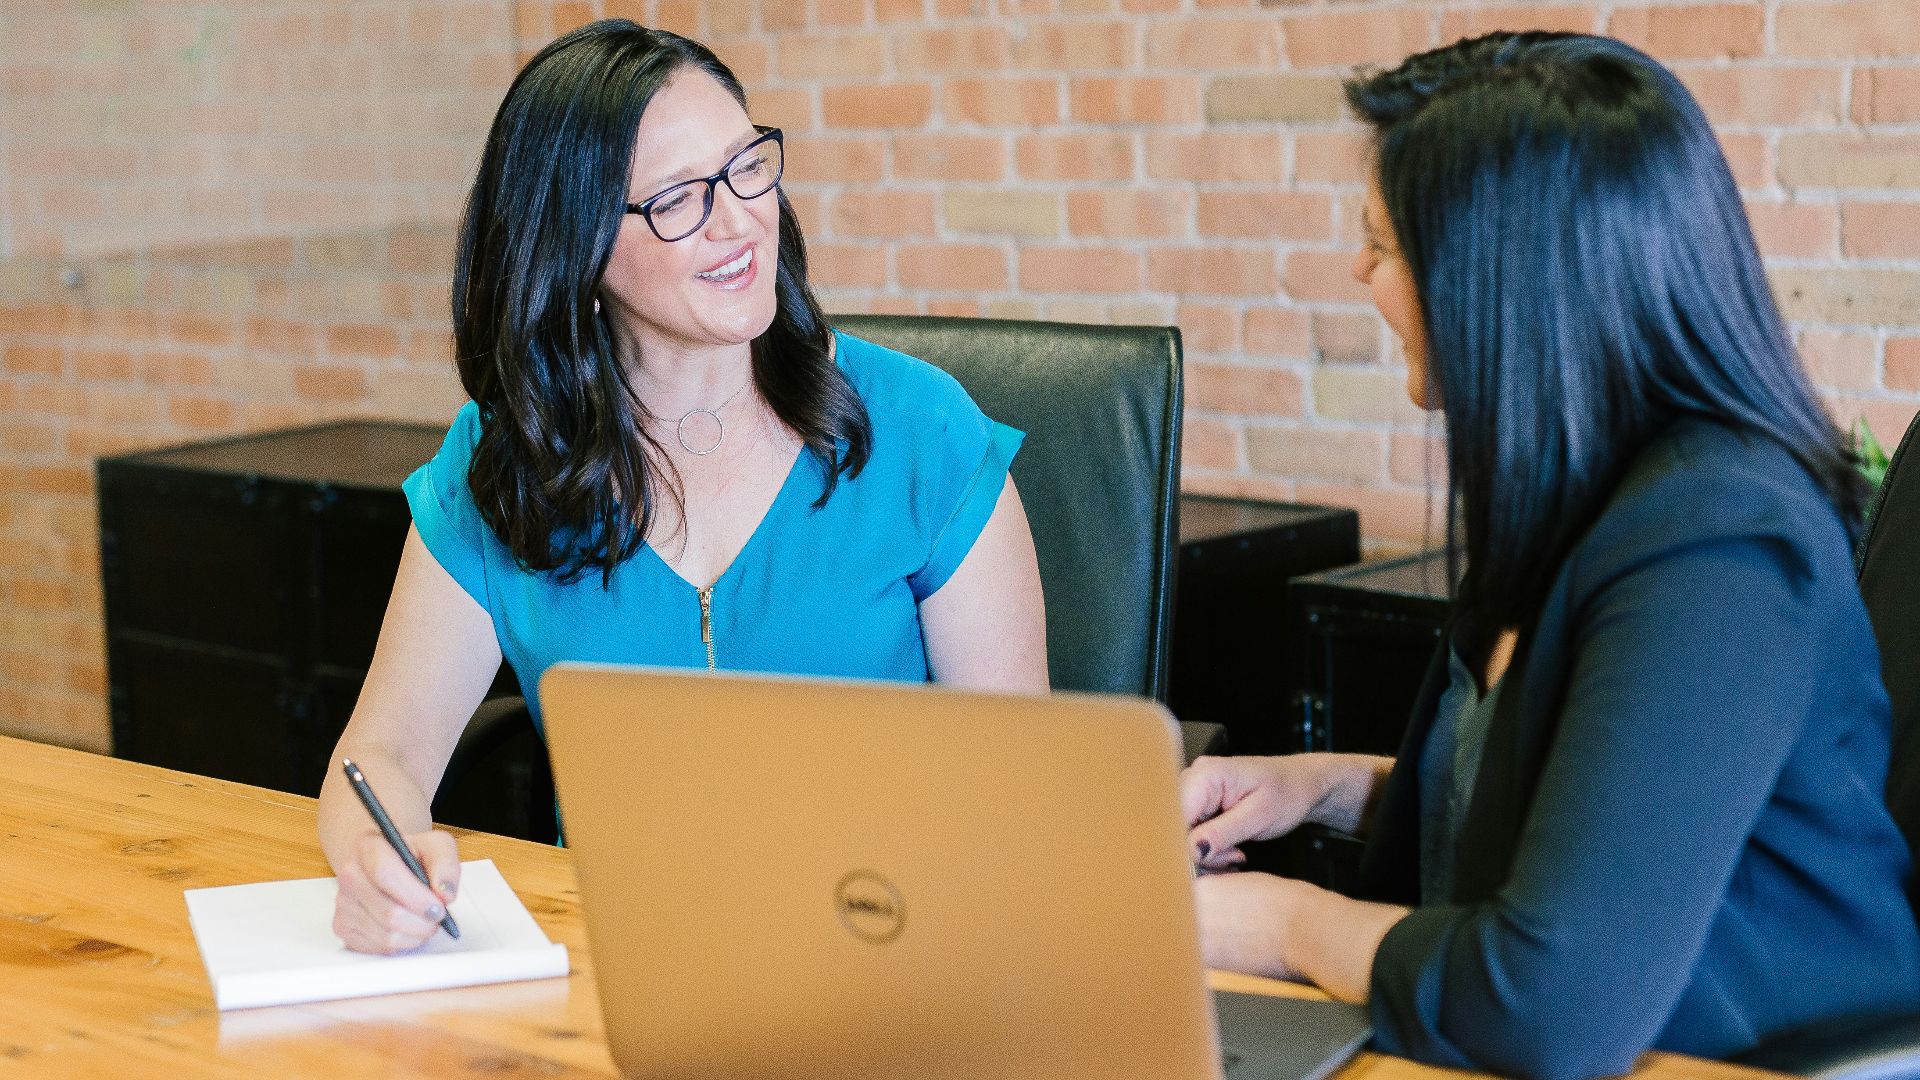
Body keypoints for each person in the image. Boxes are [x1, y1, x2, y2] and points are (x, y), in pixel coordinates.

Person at [1181, 32, 1920, 1080]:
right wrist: (1322, 785)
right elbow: (1575, 807)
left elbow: (1550, 1001)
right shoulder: (1575, 491)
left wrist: (1284, 926)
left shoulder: (1719, 543)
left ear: (1499, 282)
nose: (1358, 271)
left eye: (1383, 244)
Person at [318, 20, 1047, 955]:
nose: (741, 218)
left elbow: (1022, 785)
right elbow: (378, 754)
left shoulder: (921, 432)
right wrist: (375, 864)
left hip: (892, 948)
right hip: (619, 958)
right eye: (676, 200)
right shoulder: (503, 466)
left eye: (748, 167)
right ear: (575, 248)